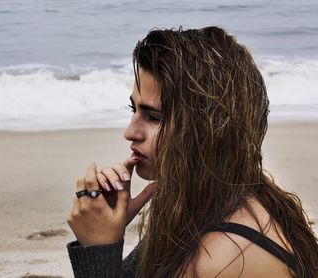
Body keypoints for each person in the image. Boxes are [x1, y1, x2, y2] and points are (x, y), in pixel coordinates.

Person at [66, 26, 318, 277]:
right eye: (134, 110)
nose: (130, 132)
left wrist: (97, 248)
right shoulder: (207, 201)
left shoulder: (220, 259)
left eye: (153, 117)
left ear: (209, 128)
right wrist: (108, 233)